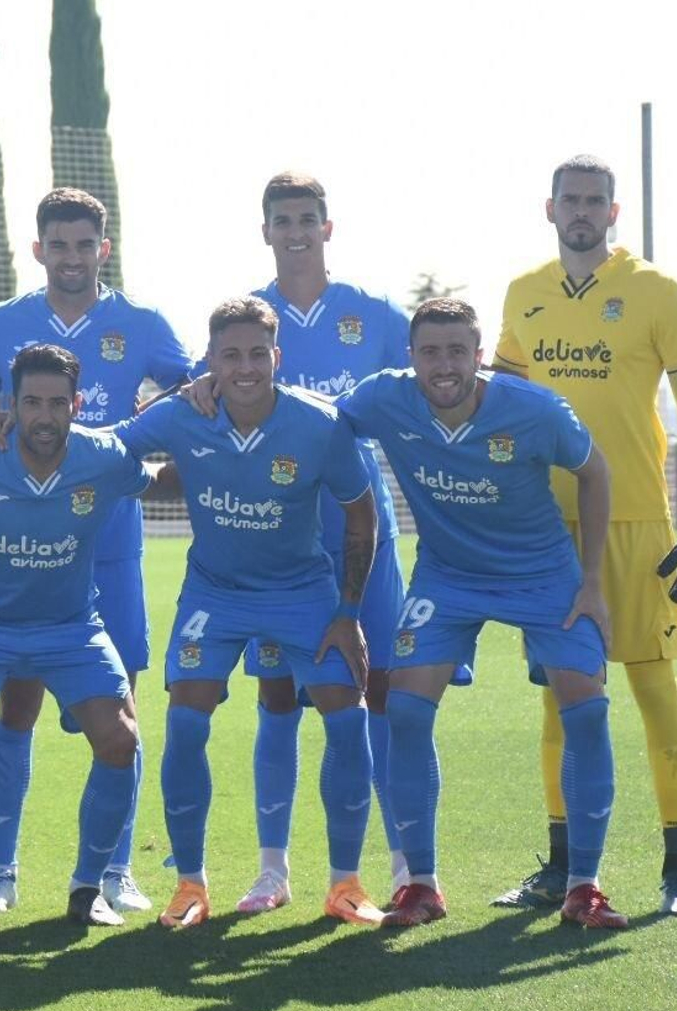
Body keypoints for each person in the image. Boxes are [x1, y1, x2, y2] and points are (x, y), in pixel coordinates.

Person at [335, 298, 625, 929]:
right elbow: (313, 418)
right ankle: (422, 885)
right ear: (410, 358)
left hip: (543, 574)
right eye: (430, 352)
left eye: (456, 351)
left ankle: (584, 885)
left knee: (588, 706)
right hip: (449, 574)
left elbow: (595, 470)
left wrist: (594, 582)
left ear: (479, 355)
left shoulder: (534, 409)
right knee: (405, 708)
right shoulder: (385, 399)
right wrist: (211, 388)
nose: (444, 365)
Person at [0, 188, 192, 913]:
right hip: (19, 549)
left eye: (85, 244)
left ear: (103, 250)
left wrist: (136, 433)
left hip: (112, 543)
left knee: (122, 710)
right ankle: (1, 870)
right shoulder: (0, 325)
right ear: (39, 250)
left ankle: (115, 872)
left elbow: (194, 393)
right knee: (16, 704)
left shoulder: (141, 323)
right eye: (60, 244)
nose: (73, 257)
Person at [491, 155, 677, 917]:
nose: (582, 211)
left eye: (595, 200)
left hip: (637, 524)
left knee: (655, 691)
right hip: (548, 532)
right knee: (561, 701)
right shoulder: (523, 296)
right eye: (570, 200)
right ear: (548, 210)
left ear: (613, 213)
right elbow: (501, 411)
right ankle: (561, 865)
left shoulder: (657, 291)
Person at [112, 296, 384, 927]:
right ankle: (189, 887)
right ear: (209, 362)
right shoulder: (185, 414)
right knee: (185, 724)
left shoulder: (319, 424)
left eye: (257, 354)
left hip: (303, 592)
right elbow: (111, 446)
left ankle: (345, 884)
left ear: (276, 358)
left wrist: (347, 610)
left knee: (348, 719)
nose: (244, 367)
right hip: (215, 592)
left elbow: (360, 513)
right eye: (229, 355)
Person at [0, 344, 154, 931]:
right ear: (11, 405)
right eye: (31, 403)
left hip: (71, 626)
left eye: (57, 403)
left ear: (77, 405)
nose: (44, 416)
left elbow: (160, 474)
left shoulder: (104, 457)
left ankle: (88, 888)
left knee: (121, 738)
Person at [246, 172, 414, 906]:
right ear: (266, 230)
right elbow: (207, 393)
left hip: (363, 531)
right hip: (278, 540)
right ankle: (272, 870)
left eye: (307, 218)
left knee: (382, 691)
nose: (296, 231)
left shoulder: (374, 316)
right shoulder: (249, 321)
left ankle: (407, 861)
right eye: (283, 219)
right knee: (278, 696)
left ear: (327, 226)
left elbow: (428, 392)